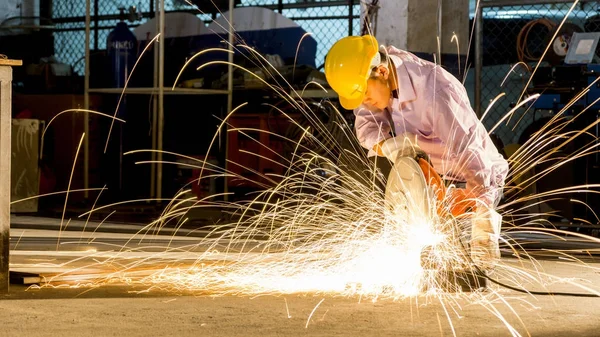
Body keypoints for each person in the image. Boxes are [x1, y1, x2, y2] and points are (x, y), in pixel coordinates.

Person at [324, 35, 509, 268]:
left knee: (456, 261)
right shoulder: (377, 74)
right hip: (432, 176)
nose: (365, 102)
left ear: (381, 71)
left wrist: (483, 214)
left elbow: (470, 154)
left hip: (473, 180)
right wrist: (389, 146)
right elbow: (366, 128)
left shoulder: (436, 90)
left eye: (366, 95)